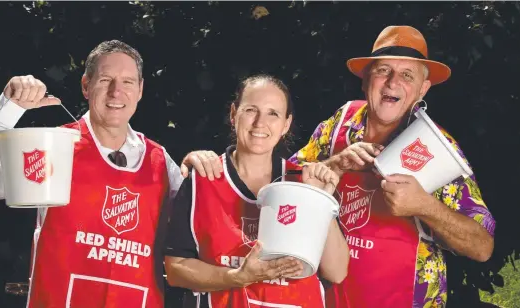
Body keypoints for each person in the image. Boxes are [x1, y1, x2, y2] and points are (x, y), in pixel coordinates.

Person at [183, 26, 496, 308]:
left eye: (407, 75)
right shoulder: (342, 123)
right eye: (383, 70)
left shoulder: (436, 149)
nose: (392, 82)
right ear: (365, 79)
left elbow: (482, 247)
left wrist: (425, 205)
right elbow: (281, 178)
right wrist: (209, 165)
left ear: (422, 90)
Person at [0, 40, 185, 308]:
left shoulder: (161, 162)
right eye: (105, 80)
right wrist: (5, 112)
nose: (116, 92)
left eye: (127, 82)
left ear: (140, 90)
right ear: (86, 86)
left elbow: (196, 234)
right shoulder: (53, 147)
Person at [163, 74, 349, 308]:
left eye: (273, 113)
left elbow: (337, 272)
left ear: (286, 124)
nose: (260, 122)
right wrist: (238, 277)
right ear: (234, 114)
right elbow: (175, 269)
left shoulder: (304, 180)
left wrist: (320, 199)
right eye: (251, 109)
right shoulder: (203, 179)